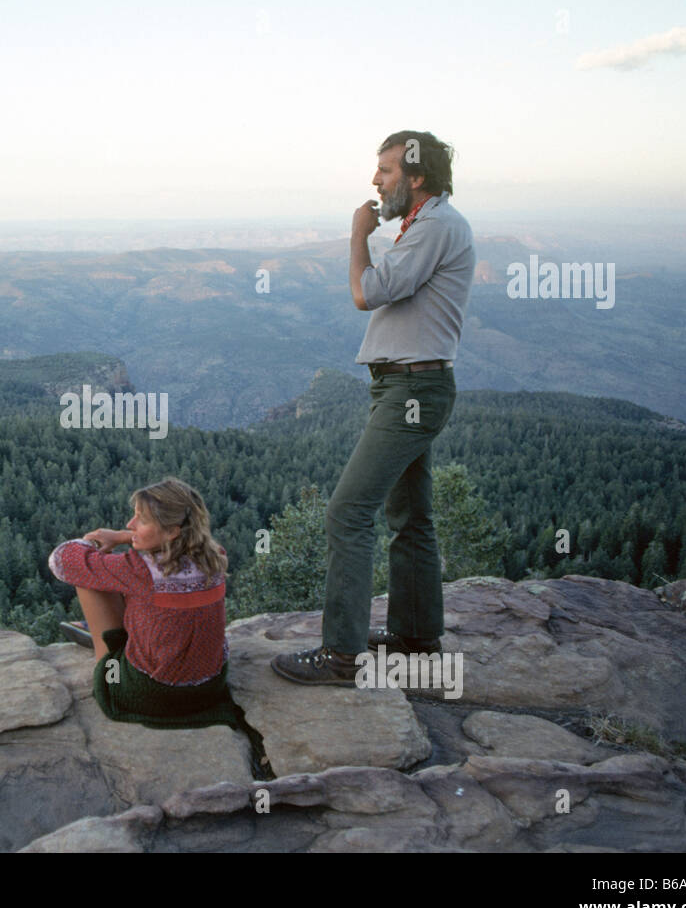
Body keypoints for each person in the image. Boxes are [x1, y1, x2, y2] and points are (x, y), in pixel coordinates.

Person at [272, 130, 475, 685]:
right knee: (409, 514)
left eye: (385, 171)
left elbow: (368, 292)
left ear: (417, 177)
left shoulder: (435, 225)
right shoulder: (427, 225)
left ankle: (342, 655)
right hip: (404, 386)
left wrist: (358, 233)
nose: (375, 180)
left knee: (348, 510)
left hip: (412, 389)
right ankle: (415, 636)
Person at [48, 477, 243, 728]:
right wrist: (124, 536)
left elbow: (61, 561)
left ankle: (105, 642)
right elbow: (175, 547)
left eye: (141, 519)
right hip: (209, 690)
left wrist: (91, 542)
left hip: (152, 696)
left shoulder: (141, 570)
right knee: (130, 585)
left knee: (88, 575)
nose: (130, 524)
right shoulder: (216, 556)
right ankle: (125, 634)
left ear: (172, 531)